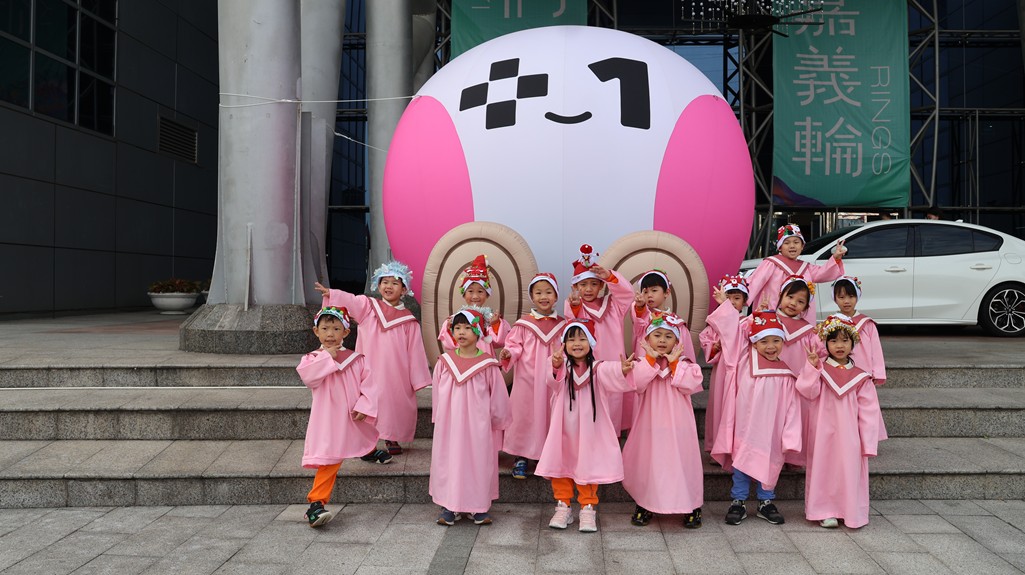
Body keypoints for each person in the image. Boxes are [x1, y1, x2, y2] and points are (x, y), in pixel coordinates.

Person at [315, 260, 432, 457]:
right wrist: (333, 294)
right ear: (378, 285)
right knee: (368, 401)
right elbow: (351, 300)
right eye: (384, 282)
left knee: (393, 403)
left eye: (395, 283)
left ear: (404, 289)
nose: (388, 286)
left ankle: (391, 436)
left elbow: (415, 351)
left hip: (396, 371)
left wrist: (417, 378)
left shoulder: (409, 320)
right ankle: (365, 441)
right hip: (368, 366)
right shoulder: (368, 307)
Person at [535, 318, 636, 533]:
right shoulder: (561, 366)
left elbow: (613, 373)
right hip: (563, 428)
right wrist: (555, 364)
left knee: (588, 465)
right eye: (571, 339)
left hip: (590, 430)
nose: (577, 344)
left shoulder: (598, 368)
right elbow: (551, 381)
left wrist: (623, 370)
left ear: (591, 342)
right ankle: (563, 506)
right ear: (564, 344)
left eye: (582, 338)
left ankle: (587, 508)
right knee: (561, 464)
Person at [707, 304, 801, 526]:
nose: (771, 346)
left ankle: (765, 502)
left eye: (776, 340)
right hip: (745, 426)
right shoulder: (743, 361)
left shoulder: (786, 373)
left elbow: (792, 407)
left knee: (770, 463)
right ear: (754, 343)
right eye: (764, 341)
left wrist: (790, 436)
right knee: (741, 460)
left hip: (772, 430)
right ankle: (738, 501)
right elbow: (733, 333)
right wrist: (733, 309)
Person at [297, 306, 386, 528]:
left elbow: (370, 385)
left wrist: (365, 405)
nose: (330, 334)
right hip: (327, 419)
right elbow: (309, 378)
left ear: (346, 332)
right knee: (330, 458)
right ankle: (316, 505)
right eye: (325, 328)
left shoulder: (356, 359)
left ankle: (368, 452)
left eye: (336, 329)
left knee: (358, 436)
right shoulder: (312, 359)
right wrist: (328, 357)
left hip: (352, 414)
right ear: (316, 331)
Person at [797, 315, 883, 529]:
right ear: (826, 343)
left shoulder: (861, 377)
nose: (839, 345)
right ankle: (824, 511)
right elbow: (807, 391)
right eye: (834, 340)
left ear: (853, 343)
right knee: (824, 469)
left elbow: (869, 412)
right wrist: (811, 367)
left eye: (845, 340)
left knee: (849, 470)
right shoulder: (820, 371)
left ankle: (850, 512)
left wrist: (868, 443)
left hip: (850, 434)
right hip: (822, 432)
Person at [622, 311, 705, 528]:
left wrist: (675, 363)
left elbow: (691, 384)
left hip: (679, 425)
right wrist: (650, 360)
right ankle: (645, 503)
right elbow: (636, 384)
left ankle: (691, 505)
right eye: (657, 335)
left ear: (677, 342)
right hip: (651, 423)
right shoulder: (643, 363)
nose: (662, 340)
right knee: (650, 461)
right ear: (647, 339)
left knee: (683, 462)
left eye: (669, 336)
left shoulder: (685, 364)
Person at [430, 306, 512, 526]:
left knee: (477, 461)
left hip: (478, 424)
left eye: (467, 328)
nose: (461, 332)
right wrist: (439, 418)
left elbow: (498, 397)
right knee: (450, 460)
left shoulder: (487, 364)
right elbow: (437, 393)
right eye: (457, 328)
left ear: (478, 332)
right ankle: (449, 505)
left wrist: (497, 421)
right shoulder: (444, 362)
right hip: (450, 423)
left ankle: (478, 507)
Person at [498, 273, 567, 479]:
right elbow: (514, 346)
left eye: (548, 292)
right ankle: (521, 456)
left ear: (556, 296)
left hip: (551, 380)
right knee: (524, 416)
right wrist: (508, 353)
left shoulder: (563, 325)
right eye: (538, 293)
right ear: (532, 297)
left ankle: (545, 455)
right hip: (527, 380)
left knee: (550, 414)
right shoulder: (523, 324)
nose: (543, 296)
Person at [564, 244, 634, 433]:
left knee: (613, 402)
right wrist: (576, 307)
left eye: (594, 284)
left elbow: (627, 294)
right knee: (590, 403)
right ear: (575, 286)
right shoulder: (575, 305)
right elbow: (573, 325)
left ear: (602, 285)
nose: (588, 289)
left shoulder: (614, 305)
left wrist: (609, 276)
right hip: (588, 364)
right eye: (583, 284)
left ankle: (612, 438)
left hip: (612, 363)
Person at [745, 224, 846, 320]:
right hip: (772, 313)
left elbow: (823, 273)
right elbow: (755, 282)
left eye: (796, 242)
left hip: (798, 317)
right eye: (787, 243)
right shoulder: (771, 264)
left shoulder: (806, 268)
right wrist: (740, 298)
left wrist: (836, 257)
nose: (792, 246)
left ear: (802, 246)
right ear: (780, 247)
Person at [699, 275, 749, 454]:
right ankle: (717, 448)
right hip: (721, 371)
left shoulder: (747, 323)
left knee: (739, 408)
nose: (732, 302)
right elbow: (705, 341)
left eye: (737, 298)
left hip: (742, 370)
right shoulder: (714, 325)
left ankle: (737, 447)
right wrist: (714, 347)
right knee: (719, 406)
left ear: (745, 301)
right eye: (728, 298)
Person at [438, 255, 511, 355]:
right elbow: (450, 344)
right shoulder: (457, 318)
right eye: (470, 291)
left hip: (485, 358)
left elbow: (499, 342)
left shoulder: (490, 317)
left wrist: (495, 324)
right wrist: (450, 326)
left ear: (487, 294)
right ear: (464, 294)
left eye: (480, 291)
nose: (475, 296)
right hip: (464, 358)